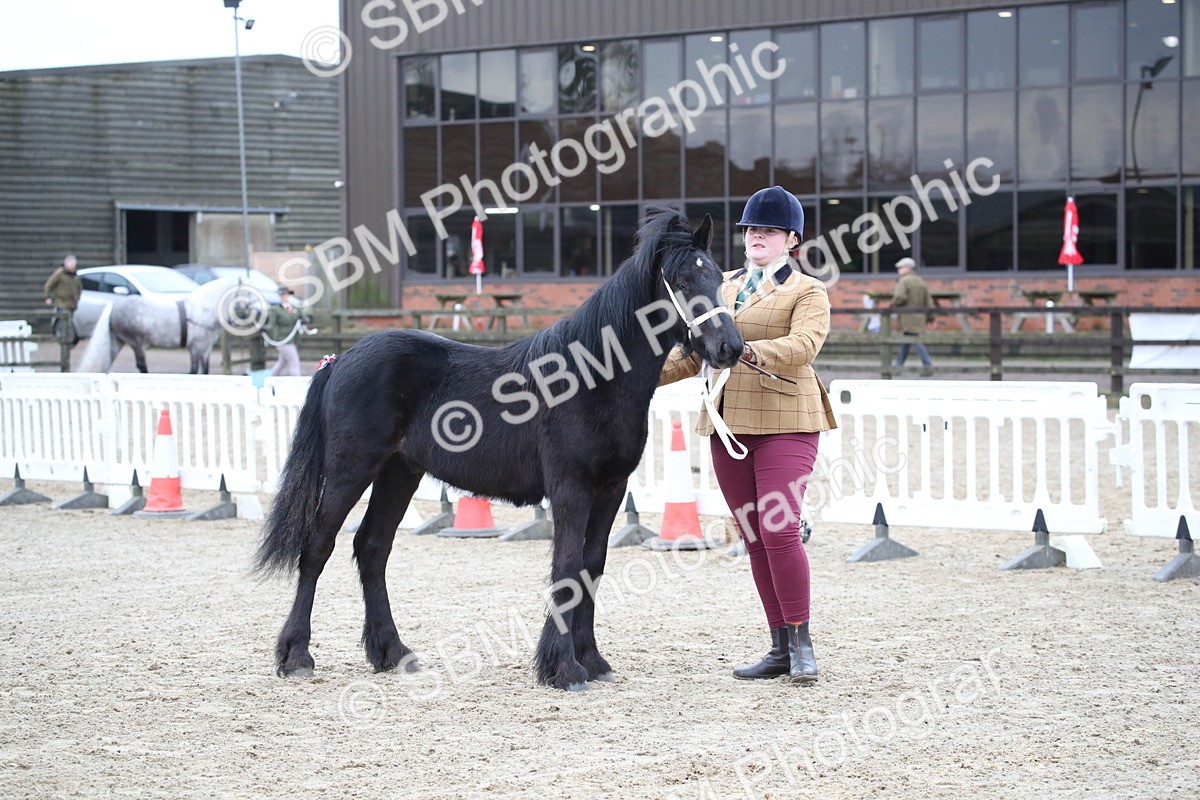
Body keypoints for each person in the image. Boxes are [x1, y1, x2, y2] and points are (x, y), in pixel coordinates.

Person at [660, 186, 837, 685]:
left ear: (791, 240)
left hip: (787, 421)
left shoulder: (807, 291)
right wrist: (635, 379)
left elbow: (804, 346)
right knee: (755, 535)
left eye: (768, 231)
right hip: (728, 423)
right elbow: (698, 351)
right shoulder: (724, 286)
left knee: (779, 529)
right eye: (751, 230)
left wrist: (745, 352)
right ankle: (778, 645)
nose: (757, 237)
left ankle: (802, 643)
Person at [890, 257, 935, 377]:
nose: (898, 270)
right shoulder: (921, 281)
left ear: (906, 268)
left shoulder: (904, 281)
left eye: (900, 267)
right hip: (919, 317)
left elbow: (899, 297)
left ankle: (928, 366)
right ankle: (898, 367)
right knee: (907, 342)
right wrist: (930, 318)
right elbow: (929, 302)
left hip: (907, 317)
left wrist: (893, 304)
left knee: (915, 341)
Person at [264, 286, 311, 376]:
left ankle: (268, 379)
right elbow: (271, 325)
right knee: (294, 362)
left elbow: (302, 317)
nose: (284, 297)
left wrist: (305, 319)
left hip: (293, 339)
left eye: (286, 295)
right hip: (283, 340)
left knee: (281, 363)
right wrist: (265, 328)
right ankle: (297, 383)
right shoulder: (276, 309)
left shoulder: (294, 308)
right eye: (282, 295)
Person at [43, 254, 81, 345]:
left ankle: (67, 339)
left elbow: (79, 287)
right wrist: (47, 296)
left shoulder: (75, 276)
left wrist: (77, 297)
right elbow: (49, 285)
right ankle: (61, 338)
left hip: (72, 303)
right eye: (70, 264)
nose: (72, 266)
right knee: (62, 321)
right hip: (62, 302)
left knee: (69, 322)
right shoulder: (59, 274)